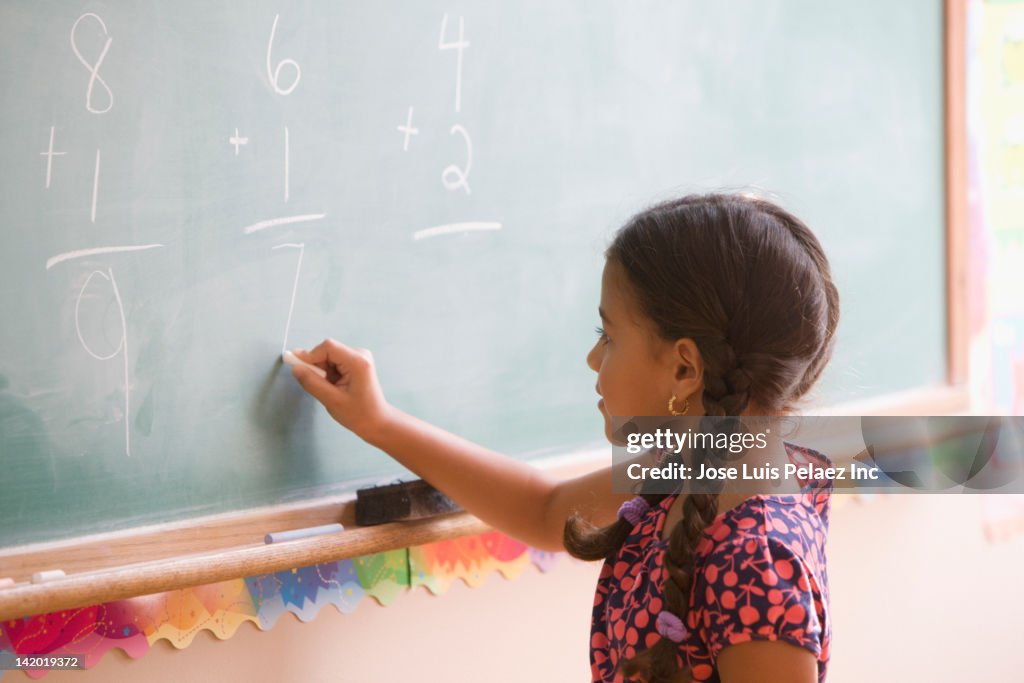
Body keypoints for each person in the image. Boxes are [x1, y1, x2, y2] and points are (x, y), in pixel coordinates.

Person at [289, 193, 840, 683]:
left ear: (683, 369)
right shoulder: (688, 473)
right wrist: (378, 423)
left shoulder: (758, 557)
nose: (593, 357)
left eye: (608, 334)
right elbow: (544, 508)